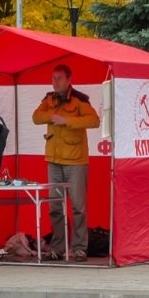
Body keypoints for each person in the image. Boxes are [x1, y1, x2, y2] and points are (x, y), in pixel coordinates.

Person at [32, 64, 99, 261]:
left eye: (59, 78)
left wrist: (67, 120)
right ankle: (58, 248)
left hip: (76, 160)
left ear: (69, 80)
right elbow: (36, 117)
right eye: (53, 78)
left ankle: (79, 248)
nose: (55, 82)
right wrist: (52, 117)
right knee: (55, 207)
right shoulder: (48, 99)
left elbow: (94, 120)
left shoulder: (79, 99)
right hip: (54, 160)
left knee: (78, 207)